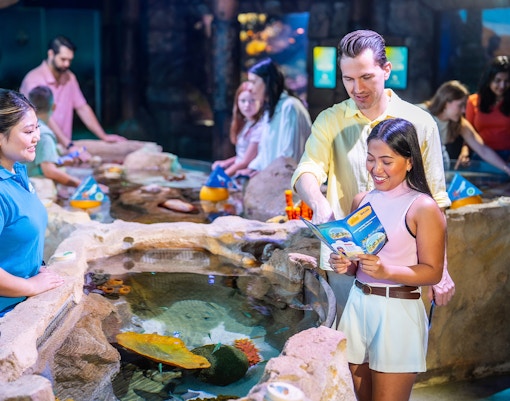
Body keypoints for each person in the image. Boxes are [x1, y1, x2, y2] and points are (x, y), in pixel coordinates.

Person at [291, 30, 454, 319]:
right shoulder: (331, 119)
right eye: (348, 79)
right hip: (346, 261)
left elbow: (435, 199)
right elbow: (308, 169)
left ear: (386, 69)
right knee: (348, 352)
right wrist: (319, 203)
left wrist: (441, 270)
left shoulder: (419, 122)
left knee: (396, 356)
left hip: (405, 267)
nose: (357, 88)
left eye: (366, 77)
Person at [330, 118, 446, 401]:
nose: (376, 169)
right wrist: (347, 265)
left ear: (409, 162)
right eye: (370, 159)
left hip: (398, 312)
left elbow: (433, 272)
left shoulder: (423, 207)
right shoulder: (361, 200)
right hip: (358, 305)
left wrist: (386, 270)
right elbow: (359, 261)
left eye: (386, 161)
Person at [0, 89, 64, 318]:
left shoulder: (17, 169)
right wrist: (32, 286)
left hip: (21, 304)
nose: (37, 136)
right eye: (28, 131)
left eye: (37, 127)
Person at [19, 35, 126, 149]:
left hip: (63, 147)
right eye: (63, 59)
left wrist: (103, 136)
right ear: (51, 54)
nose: (67, 64)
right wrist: (68, 144)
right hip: (38, 147)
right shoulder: (33, 80)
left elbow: (82, 108)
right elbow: (42, 115)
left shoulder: (70, 77)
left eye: (70, 60)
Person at [237, 58, 311, 176]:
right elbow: (265, 154)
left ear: (267, 82)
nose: (249, 88)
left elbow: (289, 156)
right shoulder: (269, 111)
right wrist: (251, 169)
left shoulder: (289, 107)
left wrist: (264, 173)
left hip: (289, 184)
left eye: (253, 82)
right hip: (273, 179)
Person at [418, 80, 510, 175]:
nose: (464, 110)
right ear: (446, 102)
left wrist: (507, 169)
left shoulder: (459, 123)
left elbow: (482, 149)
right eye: (460, 105)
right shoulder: (419, 113)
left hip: (438, 172)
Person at [25, 85, 82, 188]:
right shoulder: (44, 134)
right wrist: (81, 185)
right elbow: (49, 171)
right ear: (53, 107)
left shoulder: (24, 126)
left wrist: (59, 161)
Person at [211, 82, 265, 176]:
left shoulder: (260, 127)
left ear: (260, 101)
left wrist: (221, 177)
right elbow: (242, 156)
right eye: (243, 101)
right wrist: (226, 163)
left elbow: (246, 161)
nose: (247, 105)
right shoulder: (247, 123)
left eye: (252, 100)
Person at [465, 56, 510, 161]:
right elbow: (468, 134)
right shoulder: (473, 101)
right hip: (480, 155)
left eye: (507, 81)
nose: (502, 85)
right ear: (489, 80)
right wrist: (465, 152)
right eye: (497, 81)